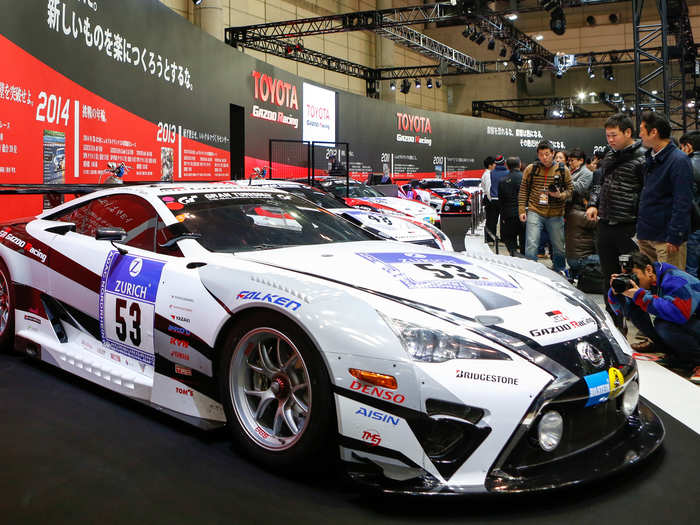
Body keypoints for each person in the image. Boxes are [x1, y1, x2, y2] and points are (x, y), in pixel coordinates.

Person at [586, 113, 645, 325]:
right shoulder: (609, 156)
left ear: (628, 132)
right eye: (607, 136)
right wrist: (593, 203)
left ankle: (641, 326)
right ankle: (614, 324)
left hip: (629, 227)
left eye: (614, 135)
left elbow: (646, 193)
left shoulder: (643, 157)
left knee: (633, 278)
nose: (610, 140)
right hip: (605, 225)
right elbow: (598, 184)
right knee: (608, 277)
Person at [608, 251, 700, 383]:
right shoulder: (649, 281)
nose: (631, 280)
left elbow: (679, 314)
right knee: (635, 308)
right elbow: (620, 311)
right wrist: (616, 293)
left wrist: (639, 296)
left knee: (664, 325)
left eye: (633, 276)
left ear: (649, 270)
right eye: (626, 276)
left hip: (689, 317)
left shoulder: (677, 279)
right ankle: (674, 353)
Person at [637, 111, 693, 269]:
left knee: (671, 287)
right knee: (650, 286)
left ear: (654, 132)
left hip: (666, 239)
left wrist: (676, 235)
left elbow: (683, 201)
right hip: (646, 235)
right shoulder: (650, 158)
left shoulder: (679, 160)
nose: (640, 134)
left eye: (642, 129)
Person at [518, 140, 573, 273]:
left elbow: (571, 191)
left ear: (553, 153)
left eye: (547, 154)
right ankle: (531, 272)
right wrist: (521, 210)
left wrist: (560, 195)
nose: (544, 157)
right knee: (531, 244)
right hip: (535, 210)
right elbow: (524, 190)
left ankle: (559, 270)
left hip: (556, 213)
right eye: (541, 154)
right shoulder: (531, 169)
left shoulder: (563, 170)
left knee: (559, 247)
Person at [565, 147, 597, 278]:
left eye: (572, 160)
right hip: (574, 210)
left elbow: (580, 187)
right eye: (569, 160)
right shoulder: (573, 172)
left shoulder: (586, 173)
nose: (570, 163)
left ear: (581, 160)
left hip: (580, 209)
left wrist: (565, 181)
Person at [678, 130, 700, 277]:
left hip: (694, 225)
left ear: (688, 147)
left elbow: (686, 200)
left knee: (691, 269)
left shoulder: (686, 166)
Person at [498, 156, 525, 256]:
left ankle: (514, 256)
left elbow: (501, 201)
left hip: (509, 215)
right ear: (520, 164)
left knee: (510, 240)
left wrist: (503, 217)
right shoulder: (525, 178)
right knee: (525, 241)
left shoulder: (502, 181)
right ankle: (525, 260)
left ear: (507, 166)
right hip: (524, 214)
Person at [487, 155, 508, 245]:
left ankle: (491, 238)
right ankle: (504, 238)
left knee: (492, 220)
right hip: (504, 200)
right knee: (504, 220)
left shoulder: (491, 173)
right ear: (504, 162)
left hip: (494, 199)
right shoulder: (507, 173)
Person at [480, 156, 496, 243]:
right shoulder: (488, 175)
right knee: (491, 219)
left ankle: (490, 237)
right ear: (490, 165)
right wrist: (491, 200)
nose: (495, 166)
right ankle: (490, 238)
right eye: (494, 164)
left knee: (490, 219)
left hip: (488, 198)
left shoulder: (486, 174)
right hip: (489, 199)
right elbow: (489, 188)